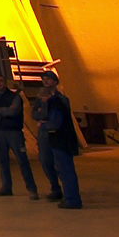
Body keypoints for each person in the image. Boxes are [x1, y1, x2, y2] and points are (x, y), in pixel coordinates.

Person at [0, 74, 38, 199]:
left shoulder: (15, 96)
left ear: (5, 83)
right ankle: (6, 187)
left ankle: (32, 189)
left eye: (1, 81)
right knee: (3, 161)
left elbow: (14, 111)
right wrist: (4, 111)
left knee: (22, 160)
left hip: (14, 132)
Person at [38, 70, 82, 208]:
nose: (45, 82)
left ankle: (72, 200)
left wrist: (43, 125)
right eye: (43, 79)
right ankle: (70, 197)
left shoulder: (57, 101)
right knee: (64, 170)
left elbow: (55, 123)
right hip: (61, 139)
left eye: (48, 79)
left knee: (65, 170)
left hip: (61, 140)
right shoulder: (53, 101)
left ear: (55, 82)